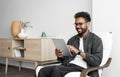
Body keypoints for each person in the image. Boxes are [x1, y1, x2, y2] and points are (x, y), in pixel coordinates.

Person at [38, 11, 103, 77]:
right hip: (68, 66)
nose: (77, 26)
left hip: (83, 68)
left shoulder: (96, 40)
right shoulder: (72, 40)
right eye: (76, 24)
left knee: (56, 70)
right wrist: (60, 56)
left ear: (88, 24)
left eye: (80, 24)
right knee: (42, 70)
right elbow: (65, 59)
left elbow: (97, 61)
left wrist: (78, 52)